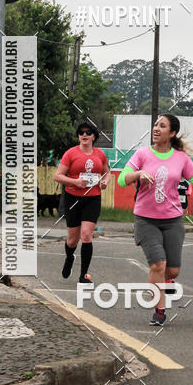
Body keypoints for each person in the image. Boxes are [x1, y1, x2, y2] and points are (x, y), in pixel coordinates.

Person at [118, 114, 193, 326]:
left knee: (172, 270)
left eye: (162, 126)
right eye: (155, 125)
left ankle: (166, 282)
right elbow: (122, 178)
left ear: (172, 133)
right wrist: (139, 174)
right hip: (146, 219)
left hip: (172, 220)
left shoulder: (180, 158)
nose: (156, 129)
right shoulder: (142, 154)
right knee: (158, 264)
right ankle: (159, 310)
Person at [55, 122, 110, 285]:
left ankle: (83, 275)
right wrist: (75, 182)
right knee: (72, 240)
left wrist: (105, 182)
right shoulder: (71, 153)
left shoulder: (100, 154)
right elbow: (58, 176)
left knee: (86, 235)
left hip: (93, 198)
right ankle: (69, 257)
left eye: (88, 132)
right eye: (81, 133)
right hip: (73, 198)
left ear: (94, 136)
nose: (84, 135)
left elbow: (107, 173)